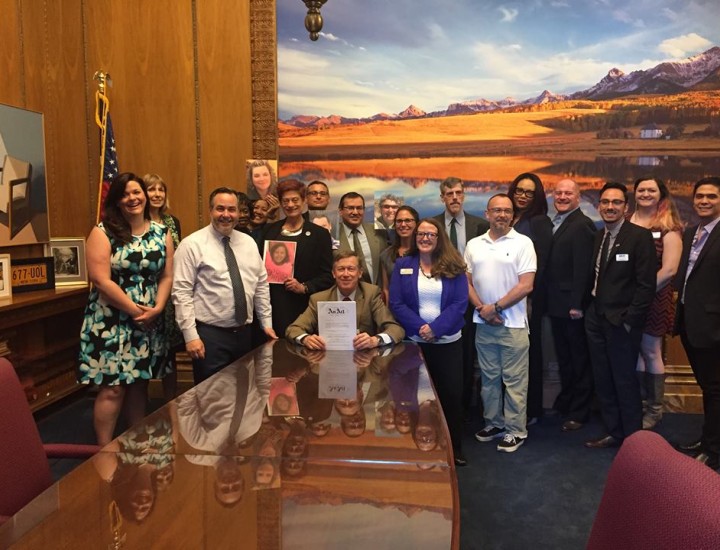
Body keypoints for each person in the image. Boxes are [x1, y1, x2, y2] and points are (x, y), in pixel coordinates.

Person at [78, 172, 174, 445]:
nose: (132, 198)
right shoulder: (102, 232)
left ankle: (136, 442)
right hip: (111, 321)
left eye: (136, 192)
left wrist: (157, 308)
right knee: (113, 388)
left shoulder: (161, 232)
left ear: (145, 195)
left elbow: (167, 275)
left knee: (139, 383)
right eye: (125, 194)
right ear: (117, 201)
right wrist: (136, 310)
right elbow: (100, 280)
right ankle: (104, 449)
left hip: (149, 319)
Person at [173, 187, 277, 384]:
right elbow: (181, 293)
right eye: (220, 209)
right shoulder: (192, 245)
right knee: (212, 399)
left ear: (238, 212)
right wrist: (190, 336)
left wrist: (267, 323)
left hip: (245, 334)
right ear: (210, 211)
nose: (226, 215)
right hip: (210, 336)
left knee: (242, 397)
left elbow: (261, 285)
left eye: (232, 209)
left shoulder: (248, 243)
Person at [389, 217, 468, 465]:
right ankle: (416, 441)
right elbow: (396, 303)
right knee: (415, 397)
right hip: (414, 344)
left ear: (439, 238)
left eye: (430, 234)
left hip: (447, 344)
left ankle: (454, 448)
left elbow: (459, 304)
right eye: (421, 234)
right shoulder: (403, 265)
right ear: (415, 238)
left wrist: (435, 328)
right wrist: (420, 328)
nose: (425, 238)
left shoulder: (454, 265)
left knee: (450, 397)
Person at [584, 182, 656, 449]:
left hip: (621, 323)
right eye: (605, 202)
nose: (610, 207)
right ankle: (614, 432)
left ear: (626, 207)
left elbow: (646, 285)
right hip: (596, 318)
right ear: (599, 205)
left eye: (616, 202)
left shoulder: (639, 237)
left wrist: (629, 321)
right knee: (603, 378)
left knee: (624, 381)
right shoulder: (598, 235)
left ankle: (633, 441)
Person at [465, 194, 536, 453]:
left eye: (507, 211)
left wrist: (495, 308)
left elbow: (526, 285)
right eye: (496, 210)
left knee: (515, 380)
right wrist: (483, 310)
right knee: (489, 378)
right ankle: (494, 423)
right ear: (487, 214)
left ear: (513, 216)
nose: (502, 215)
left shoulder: (523, 243)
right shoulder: (474, 244)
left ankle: (516, 430)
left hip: (513, 325)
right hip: (483, 324)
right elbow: (467, 282)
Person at [433, 177, 490, 420]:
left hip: (472, 298)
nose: (454, 197)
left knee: (468, 354)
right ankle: (439, 406)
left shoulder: (479, 225)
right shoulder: (432, 225)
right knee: (441, 354)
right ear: (442, 197)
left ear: (464, 195)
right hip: (438, 300)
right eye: (449, 193)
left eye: (458, 193)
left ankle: (464, 406)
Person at [629, 176, 683, 429]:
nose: (646, 194)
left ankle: (655, 409)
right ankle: (639, 404)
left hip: (654, 298)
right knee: (638, 352)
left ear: (661, 195)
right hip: (629, 301)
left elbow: (670, 270)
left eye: (652, 190)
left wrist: (642, 293)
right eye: (641, 190)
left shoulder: (668, 228)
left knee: (651, 351)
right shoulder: (628, 221)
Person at [674, 176, 720, 470]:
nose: (704, 201)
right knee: (708, 386)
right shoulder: (692, 232)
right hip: (691, 324)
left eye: (712, 197)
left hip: (714, 328)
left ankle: (714, 451)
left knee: (716, 389)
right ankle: (707, 439)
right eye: (700, 196)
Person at [545, 179, 596, 432]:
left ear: (578, 197)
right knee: (565, 358)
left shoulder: (582, 225)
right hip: (557, 305)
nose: (562, 197)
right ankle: (568, 402)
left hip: (572, 307)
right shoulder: (560, 221)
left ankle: (580, 410)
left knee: (578, 360)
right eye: (559, 193)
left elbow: (583, 270)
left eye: (568, 193)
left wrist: (577, 304)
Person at [259, 179, 334, 336]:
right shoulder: (269, 231)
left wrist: (304, 287)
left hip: (305, 307)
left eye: (295, 200)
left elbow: (328, 276)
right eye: (285, 201)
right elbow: (259, 269)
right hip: (275, 305)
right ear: (280, 203)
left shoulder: (320, 234)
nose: (290, 205)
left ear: (304, 201)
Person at [286, 250, 405, 350]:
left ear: (360, 273)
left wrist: (375, 340)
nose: (346, 274)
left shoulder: (371, 294)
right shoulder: (319, 299)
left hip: (363, 363)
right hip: (327, 362)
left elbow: (396, 329)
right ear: (333, 273)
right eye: (341, 269)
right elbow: (293, 329)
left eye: (351, 269)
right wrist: (305, 339)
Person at [507, 172, 554, 425]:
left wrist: (530, 297)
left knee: (529, 353)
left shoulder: (540, 221)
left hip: (528, 301)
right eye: (519, 191)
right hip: (504, 300)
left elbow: (543, 264)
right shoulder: (509, 217)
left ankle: (531, 408)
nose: (523, 196)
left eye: (529, 192)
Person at [144, 173, 183, 401]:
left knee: (169, 351)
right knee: (144, 350)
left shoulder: (172, 222)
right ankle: (141, 405)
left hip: (169, 296)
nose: (157, 194)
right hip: (144, 294)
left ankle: (171, 403)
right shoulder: (134, 222)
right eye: (151, 189)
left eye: (161, 189)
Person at [337, 191, 390, 284]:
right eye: (350, 208)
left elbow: (387, 263)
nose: (355, 212)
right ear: (340, 211)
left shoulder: (379, 231)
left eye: (359, 208)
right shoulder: (332, 234)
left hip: (376, 294)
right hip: (345, 294)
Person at [379, 205, 419, 303]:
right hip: (395, 312)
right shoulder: (386, 255)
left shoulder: (425, 252)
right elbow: (386, 289)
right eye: (399, 221)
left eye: (408, 220)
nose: (403, 224)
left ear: (417, 223)